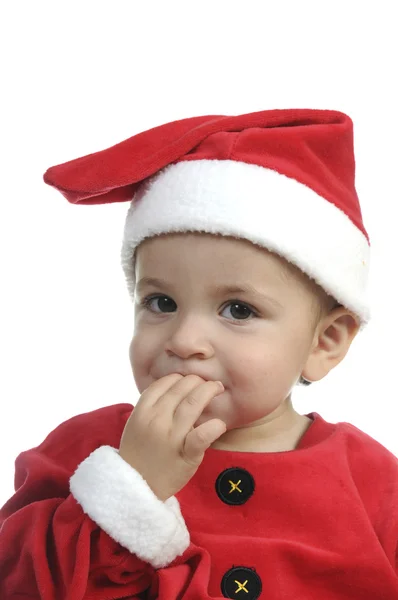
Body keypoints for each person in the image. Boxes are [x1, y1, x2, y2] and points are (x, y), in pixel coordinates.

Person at [1, 109, 397, 600]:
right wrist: (131, 489)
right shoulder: (82, 449)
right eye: (160, 303)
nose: (185, 339)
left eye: (238, 309)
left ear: (325, 342)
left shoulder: (373, 481)